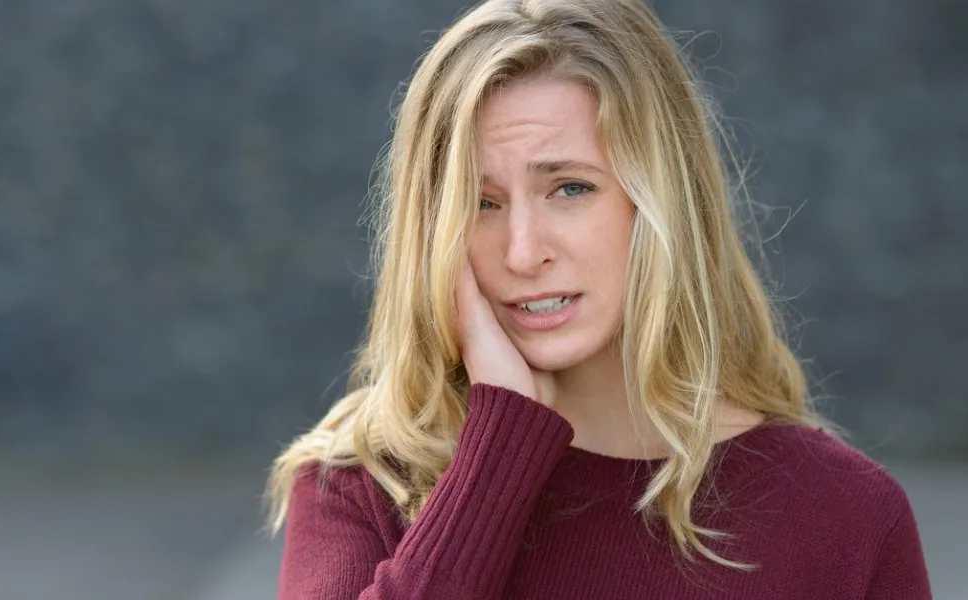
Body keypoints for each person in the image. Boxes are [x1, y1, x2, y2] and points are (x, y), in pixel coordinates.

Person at [265, 0, 932, 597]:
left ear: (662, 205)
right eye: (480, 203)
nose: (523, 252)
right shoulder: (364, 486)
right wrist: (496, 459)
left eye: (570, 188)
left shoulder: (844, 517)